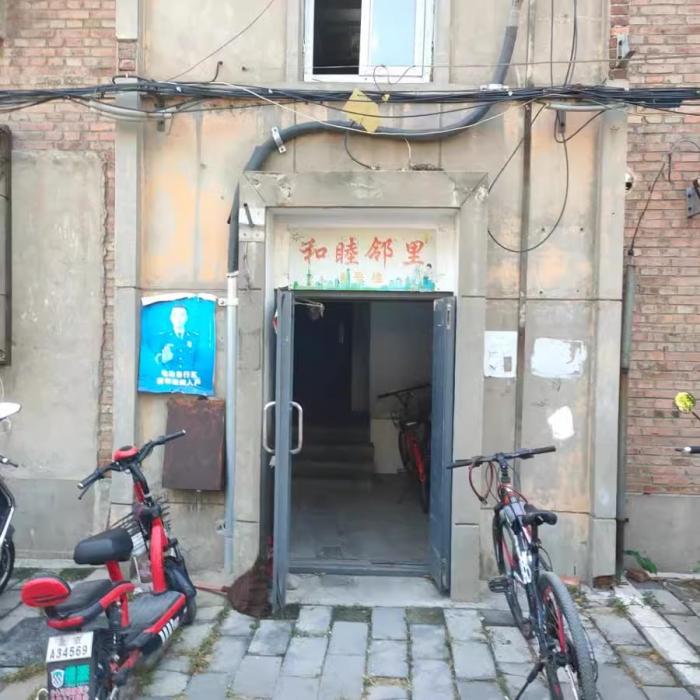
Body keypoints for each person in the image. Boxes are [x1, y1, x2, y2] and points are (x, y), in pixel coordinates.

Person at [155, 305, 199, 371]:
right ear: (170, 317)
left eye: (182, 315)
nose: (178, 319)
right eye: (175, 315)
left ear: (187, 318)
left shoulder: (195, 338)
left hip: (190, 375)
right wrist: (162, 359)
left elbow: (199, 359)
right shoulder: (162, 337)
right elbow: (154, 358)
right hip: (169, 375)